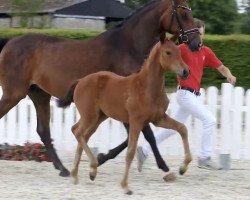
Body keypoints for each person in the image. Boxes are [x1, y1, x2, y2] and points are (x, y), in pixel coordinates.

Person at [137, 18, 236, 171]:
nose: (201, 38)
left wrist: (229, 75)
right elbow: (164, 53)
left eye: (202, 34)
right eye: (199, 34)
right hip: (185, 94)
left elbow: (221, 66)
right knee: (210, 120)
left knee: (171, 128)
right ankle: (204, 158)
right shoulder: (181, 49)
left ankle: (143, 150)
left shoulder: (206, 51)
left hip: (195, 96)